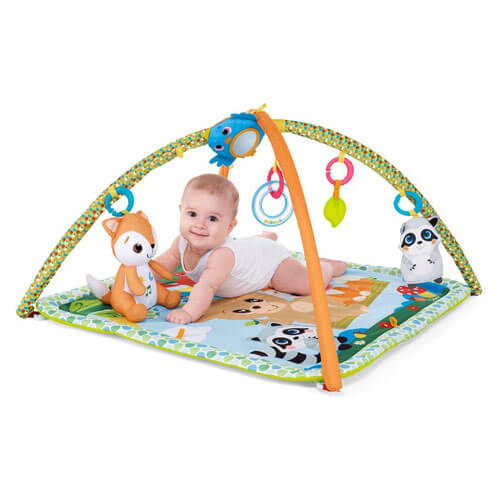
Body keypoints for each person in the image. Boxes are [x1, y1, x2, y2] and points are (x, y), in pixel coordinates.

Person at [156, 174, 347, 324]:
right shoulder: (180, 242)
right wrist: (142, 278)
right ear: (181, 211)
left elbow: (207, 286)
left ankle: (326, 267)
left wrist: (189, 312)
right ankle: (263, 238)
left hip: (269, 265)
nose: (200, 224)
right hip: (251, 249)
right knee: (248, 248)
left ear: (229, 227)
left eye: (212, 218)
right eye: (192, 214)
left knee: (306, 285)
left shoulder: (222, 256)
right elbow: (161, 265)